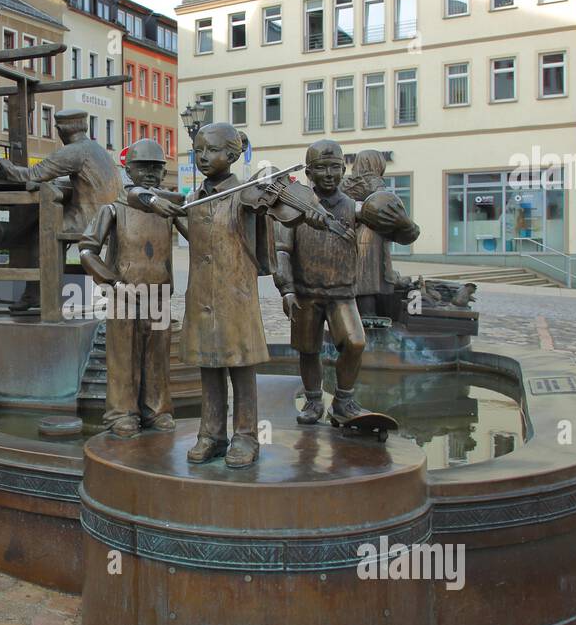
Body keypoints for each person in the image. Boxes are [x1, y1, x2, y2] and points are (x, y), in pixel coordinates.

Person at [180, 122, 329, 468]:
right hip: (201, 294)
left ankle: (245, 435)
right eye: (198, 150)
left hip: (235, 294)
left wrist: (278, 196)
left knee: (240, 366)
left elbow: (278, 219)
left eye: (212, 150)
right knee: (208, 364)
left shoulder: (248, 196)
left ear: (232, 155)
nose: (203, 157)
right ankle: (211, 434)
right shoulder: (194, 199)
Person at [77, 139, 182, 438]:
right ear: (128, 169)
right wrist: (112, 282)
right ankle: (121, 412)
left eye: (156, 168)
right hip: (123, 296)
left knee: (158, 358)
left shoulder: (167, 210)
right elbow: (87, 250)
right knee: (123, 358)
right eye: (142, 167)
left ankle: (157, 409)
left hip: (159, 295)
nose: (150, 173)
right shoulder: (113, 210)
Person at [0, 109, 125, 312]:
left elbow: (33, 174)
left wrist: (5, 164)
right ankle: (36, 293)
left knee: (43, 233)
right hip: (109, 215)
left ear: (61, 130)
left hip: (91, 219)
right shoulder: (95, 149)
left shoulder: (74, 150)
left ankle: (37, 295)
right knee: (45, 226)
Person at [272, 140, 369, 425]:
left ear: (344, 169)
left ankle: (344, 398)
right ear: (309, 173)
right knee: (308, 349)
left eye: (335, 167)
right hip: (304, 291)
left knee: (355, 342)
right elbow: (281, 250)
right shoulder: (294, 207)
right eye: (321, 168)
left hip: (342, 293)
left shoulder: (354, 207)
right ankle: (314, 400)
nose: (329, 174)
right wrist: (286, 288)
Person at [339, 149, 420, 319]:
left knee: (360, 286)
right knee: (369, 282)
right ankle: (370, 319)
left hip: (346, 247)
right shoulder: (376, 185)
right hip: (371, 244)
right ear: (378, 164)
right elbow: (388, 213)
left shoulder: (343, 188)